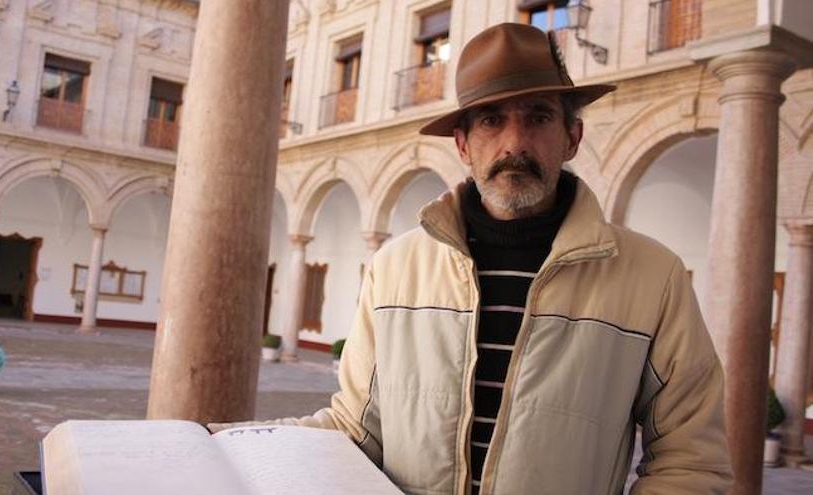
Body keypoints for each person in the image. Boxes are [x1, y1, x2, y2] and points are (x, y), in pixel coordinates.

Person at [214, 23, 732, 494]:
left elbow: (691, 460)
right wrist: (223, 441)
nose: (514, 143)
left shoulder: (651, 278)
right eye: (490, 120)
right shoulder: (396, 271)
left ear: (571, 137)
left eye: (538, 117)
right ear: (463, 144)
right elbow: (356, 427)